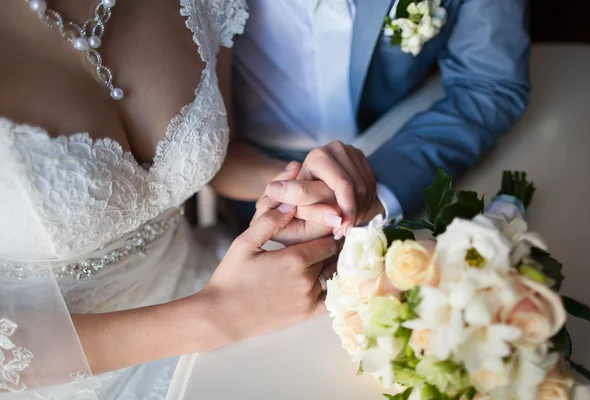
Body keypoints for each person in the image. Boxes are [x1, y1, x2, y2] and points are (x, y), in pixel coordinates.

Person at [0, 1, 373, 398]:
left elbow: (220, 154)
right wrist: (218, 315)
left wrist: (303, 187)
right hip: (73, 374)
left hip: (226, 284)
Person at [225, 0, 531, 228]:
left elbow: (488, 85)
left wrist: (378, 187)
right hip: (252, 187)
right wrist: (298, 190)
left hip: (397, 154)